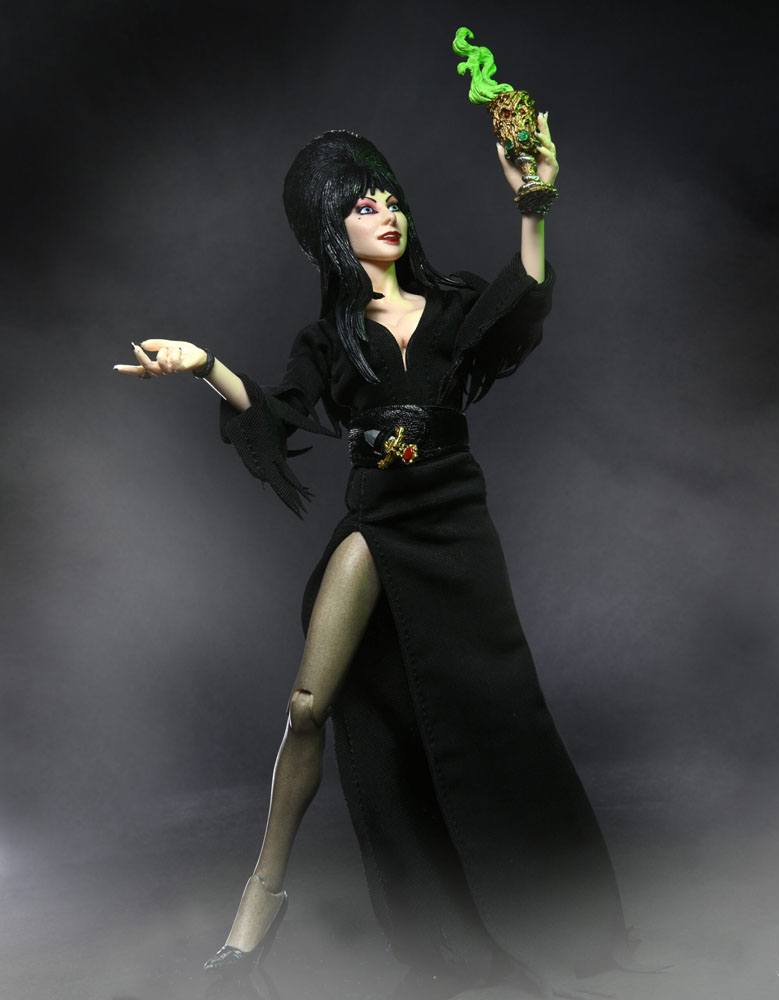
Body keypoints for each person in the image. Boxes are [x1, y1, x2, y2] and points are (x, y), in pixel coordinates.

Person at [114, 120, 632, 1000]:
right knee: (308, 704)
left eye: (390, 199)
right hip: (379, 520)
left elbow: (523, 295)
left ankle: (531, 909)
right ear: (333, 231)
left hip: (454, 527)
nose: (385, 213)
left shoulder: (454, 307)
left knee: (489, 710)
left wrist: (532, 202)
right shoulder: (331, 340)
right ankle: (259, 901)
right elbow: (276, 413)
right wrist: (203, 364)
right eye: (362, 205)